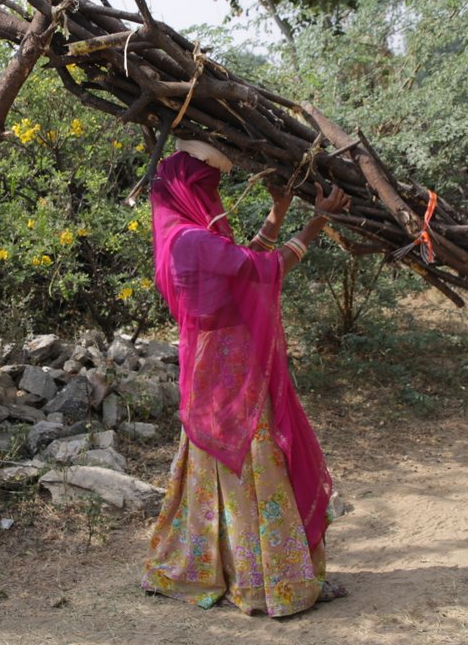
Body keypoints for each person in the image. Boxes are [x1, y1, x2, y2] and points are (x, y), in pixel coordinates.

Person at [140, 137, 350, 617]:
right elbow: (267, 268)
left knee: (220, 469)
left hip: (216, 371)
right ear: (191, 188)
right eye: (209, 185)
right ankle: (269, 580)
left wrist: (277, 213)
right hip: (231, 377)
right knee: (255, 463)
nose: (215, 196)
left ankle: (225, 569)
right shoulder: (192, 241)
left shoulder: (181, 235)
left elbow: (241, 265)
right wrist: (317, 222)